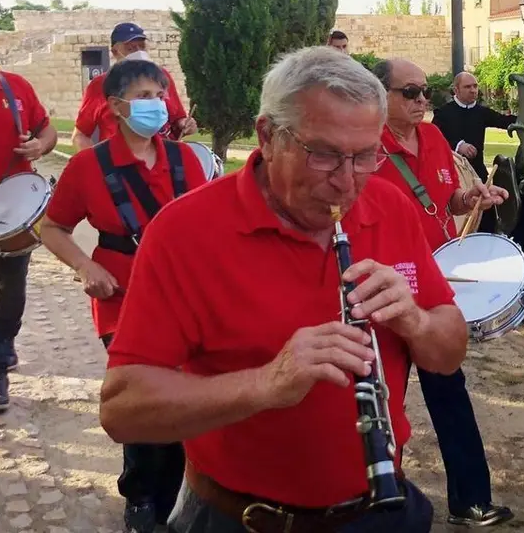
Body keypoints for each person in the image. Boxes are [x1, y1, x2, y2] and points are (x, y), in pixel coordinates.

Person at [99, 48, 468, 533]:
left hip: (380, 508)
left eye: (364, 156)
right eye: (324, 154)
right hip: (240, 517)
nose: (346, 182)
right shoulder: (185, 231)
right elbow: (123, 411)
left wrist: (416, 321)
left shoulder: (390, 206)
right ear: (268, 136)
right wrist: (268, 382)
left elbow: (449, 352)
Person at [42, 58, 208, 532]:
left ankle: (179, 496)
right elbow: (52, 227)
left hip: (184, 299)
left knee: (185, 401)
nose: (156, 106)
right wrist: (85, 265)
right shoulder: (87, 167)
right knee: (144, 399)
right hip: (123, 301)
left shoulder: (184, 160)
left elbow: (204, 225)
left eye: (160, 96)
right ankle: (140, 497)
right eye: (144, 97)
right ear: (116, 106)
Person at [371, 58, 514, 528]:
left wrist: (471, 199)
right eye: (409, 92)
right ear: (381, 95)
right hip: (385, 288)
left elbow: (445, 199)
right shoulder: (366, 148)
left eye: (424, 91)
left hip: (433, 284)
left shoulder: (433, 138)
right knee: (380, 396)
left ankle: (470, 498)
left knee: (449, 389)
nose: (421, 100)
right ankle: (381, 496)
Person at [0, 17, 58, 413]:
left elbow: (48, 132)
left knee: (11, 284)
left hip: (14, 204)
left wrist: (39, 148)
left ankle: (2, 344)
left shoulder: (17, 88)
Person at [72, 23, 197, 150]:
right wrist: (95, 163)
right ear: (115, 51)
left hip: (164, 158)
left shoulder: (162, 76)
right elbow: (81, 135)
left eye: (141, 47)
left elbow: (178, 119)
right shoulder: (100, 84)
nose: (138, 52)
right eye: (130, 48)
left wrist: (185, 124)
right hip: (117, 161)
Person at [432, 72, 516, 233]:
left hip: (478, 174)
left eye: (475, 86)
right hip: (452, 178)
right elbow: (432, 143)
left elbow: (506, 122)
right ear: (456, 90)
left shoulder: (482, 112)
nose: (473, 90)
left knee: (486, 221)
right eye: (467, 87)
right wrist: (458, 146)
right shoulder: (443, 114)